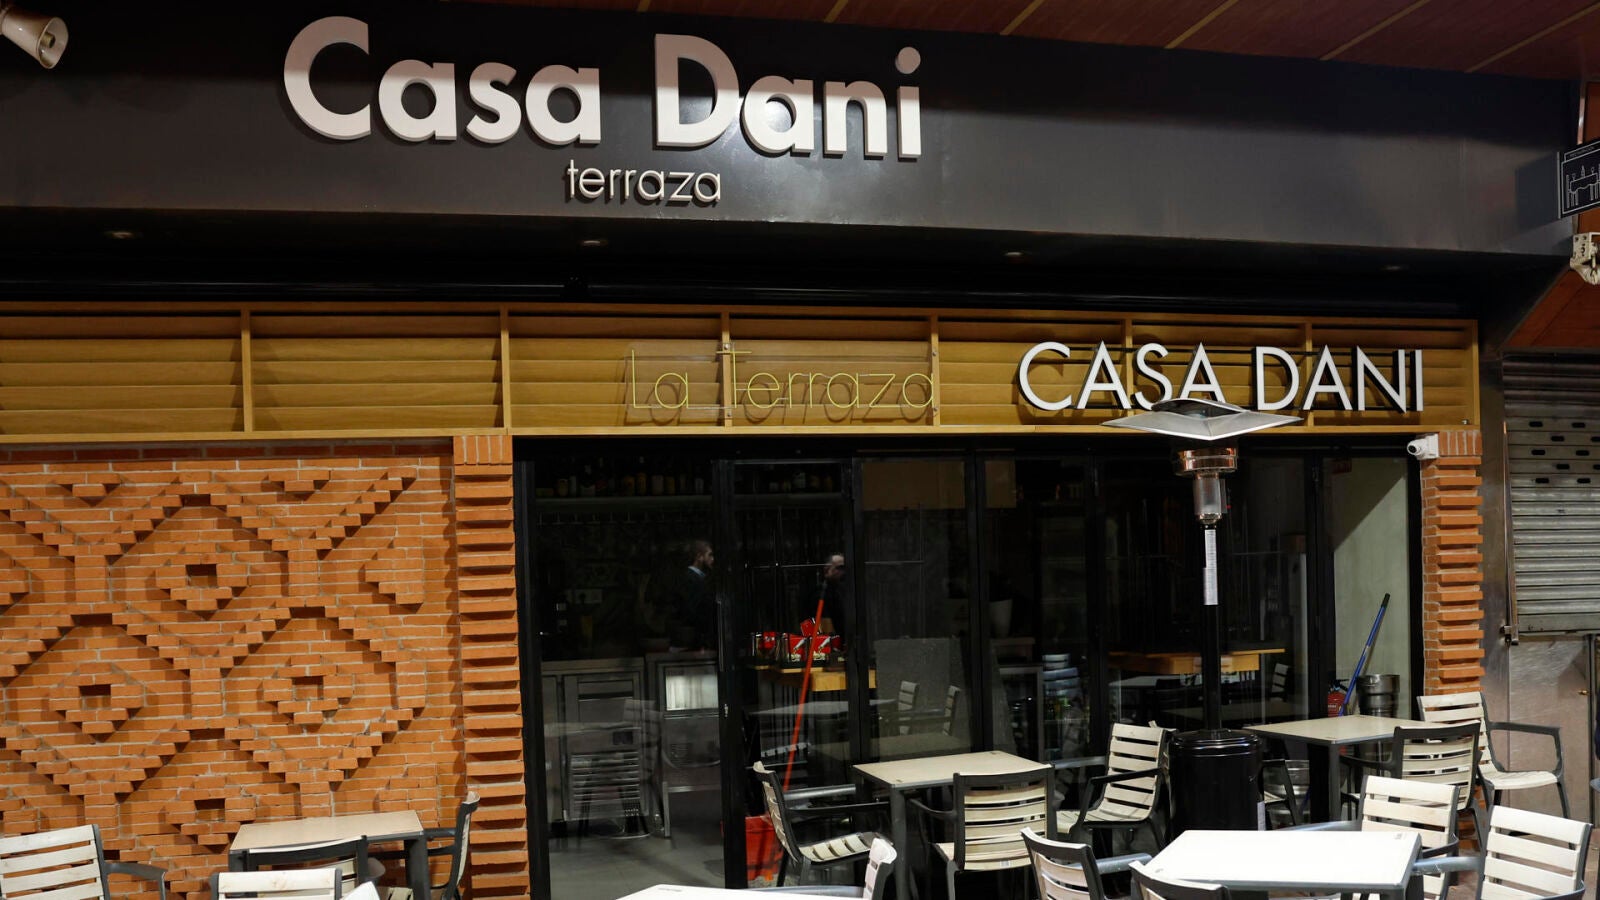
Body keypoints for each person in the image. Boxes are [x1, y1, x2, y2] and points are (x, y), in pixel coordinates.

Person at [666, 538, 716, 652]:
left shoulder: (700, 578)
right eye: (710, 555)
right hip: (694, 638)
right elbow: (693, 609)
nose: (712, 559)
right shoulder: (690, 579)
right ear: (699, 557)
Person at [817, 551, 848, 636]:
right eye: (839, 568)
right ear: (827, 570)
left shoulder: (844, 588)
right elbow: (825, 626)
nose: (843, 571)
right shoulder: (822, 592)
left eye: (844, 568)